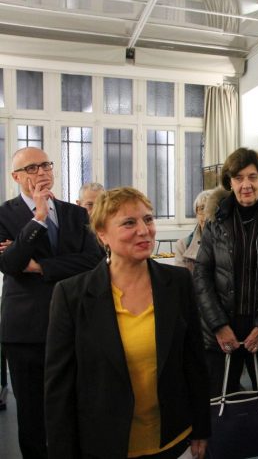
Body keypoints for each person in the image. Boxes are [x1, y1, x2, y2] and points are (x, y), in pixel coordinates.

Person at [44, 186, 210, 459]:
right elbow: (59, 389)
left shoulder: (177, 284)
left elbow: (194, 363)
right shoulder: (72, 295)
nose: (144, 230)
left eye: (148, 219)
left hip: (173, 439)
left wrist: (202, 427)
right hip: (106, 443)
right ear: (102, 234)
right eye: (129, 223)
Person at [0, 147, 102, 459]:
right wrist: (39, 218)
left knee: (74, 407)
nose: (42, 172)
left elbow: (94, 261)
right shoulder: (5, 215)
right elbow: (10, 264)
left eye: (45, 165)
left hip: (74, 324)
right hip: (26, 331)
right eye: (32, 168)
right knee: (32, 416)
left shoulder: (77, 214)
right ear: (16, 177)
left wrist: (41, 267)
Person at [193, 149, 258, 407]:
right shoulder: (215, 220)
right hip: (222, 332)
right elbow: (202, 275)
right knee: (220, 406)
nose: (246, 185)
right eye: (238, 177)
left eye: (253, 177)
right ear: (229, 182)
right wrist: (219, 326)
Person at [175, 189, 212, 272]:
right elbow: (180, 281)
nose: (206, 216)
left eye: (211, 209)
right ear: (196, 213)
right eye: (202, 208)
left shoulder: (230, 243)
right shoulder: (183, 246)